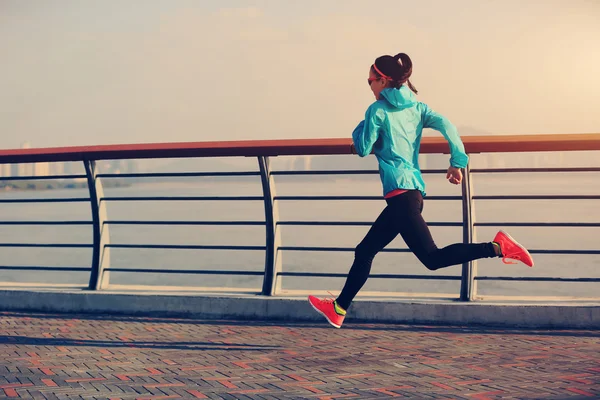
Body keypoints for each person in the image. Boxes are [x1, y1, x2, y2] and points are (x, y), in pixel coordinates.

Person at [308, 53, 534, 329]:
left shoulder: (376, 111)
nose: (368, 86)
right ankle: (338, 309)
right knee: (365, 250)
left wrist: (358, 132)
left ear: (383, 80)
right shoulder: (418, 108)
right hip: (409, 193)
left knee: (432, 258)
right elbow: (449, 127)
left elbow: (364, 148)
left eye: (369, 81)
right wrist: (457, 162)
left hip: (402, 197)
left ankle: (499, 247)